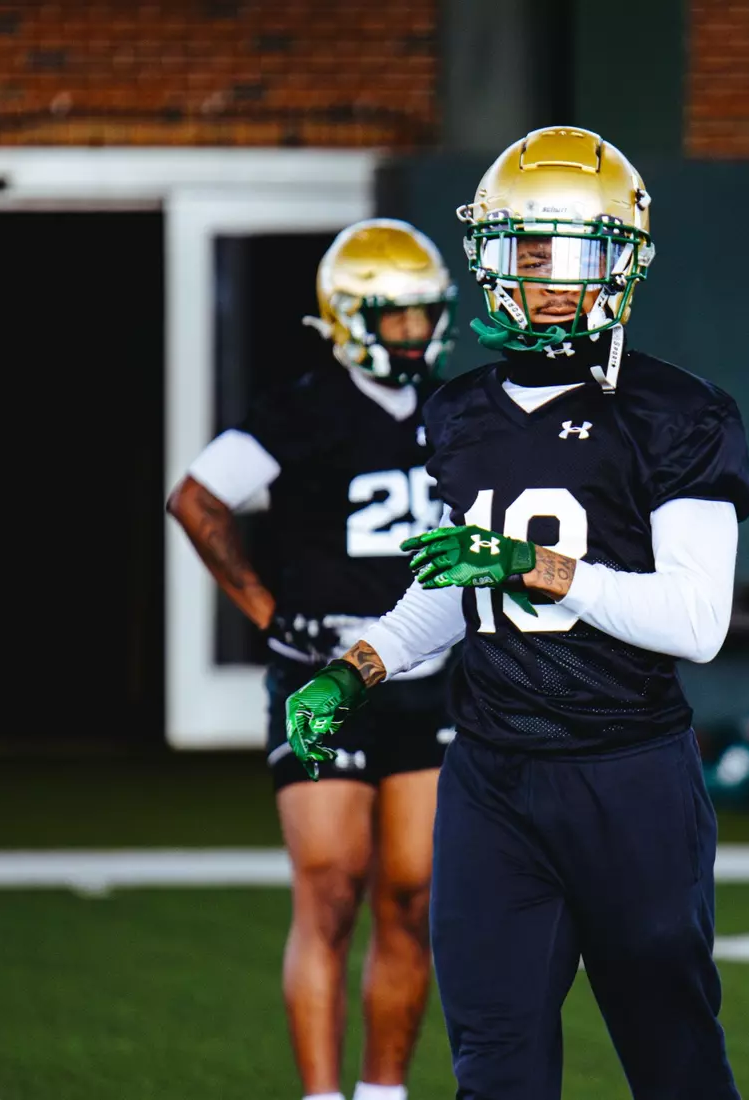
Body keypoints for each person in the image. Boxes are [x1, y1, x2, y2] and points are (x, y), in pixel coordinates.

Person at [280, 125, 749, 1100]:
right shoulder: (457, 411)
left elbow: (698, 620)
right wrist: (355, 666)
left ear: (623, 263)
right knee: (494, 1066)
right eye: (527, 251)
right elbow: (451, 589)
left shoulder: (679, 411)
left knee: (673, 1058)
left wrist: (539, 566)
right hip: (491, 775)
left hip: (629, 776)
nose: (548, 278)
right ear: (490, 257)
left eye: (575, 253)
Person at [166, 218, 457, 1100]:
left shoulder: (459, 412)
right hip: (326, 677)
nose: (413, 334)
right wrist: (265, 610)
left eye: (423, 315)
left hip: (430, 677)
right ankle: (323, 1095)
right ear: (348, 318)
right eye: (394, 317)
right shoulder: (301, 410)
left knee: (414, 899)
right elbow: (196, 498)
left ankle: (384, 1091)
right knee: (332, 890)